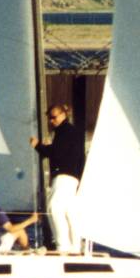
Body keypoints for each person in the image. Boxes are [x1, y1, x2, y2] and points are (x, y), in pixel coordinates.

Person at [30, 103, 85, 253]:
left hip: (64, 176)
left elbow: (56, 153)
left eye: (53, 118)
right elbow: (79, 156)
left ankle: (63, 246)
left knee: (54, 208)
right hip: (73, 177)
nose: (51, 121)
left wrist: (38, 146)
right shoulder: (72, 132)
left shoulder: (65, 131)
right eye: (49, 118)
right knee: (69, 212)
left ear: (63, 115)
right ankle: (76, 246)